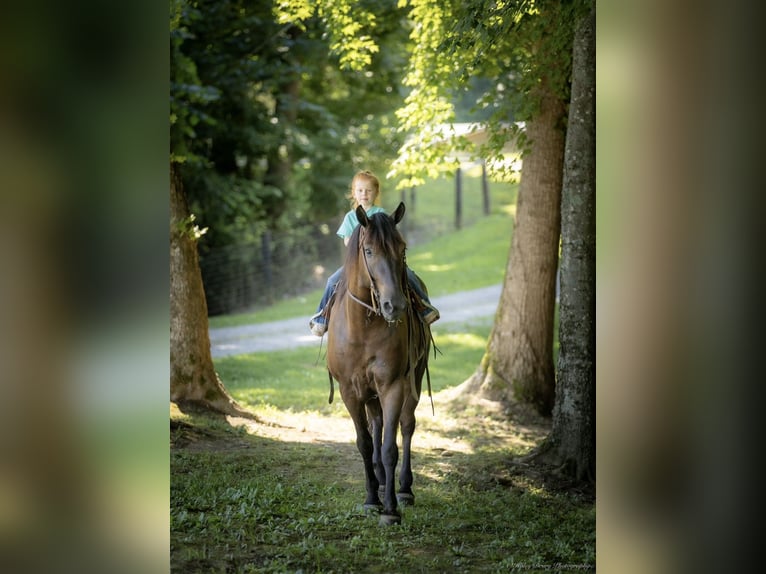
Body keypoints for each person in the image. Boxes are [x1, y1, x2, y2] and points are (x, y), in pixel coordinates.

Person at [309, 170, 440, 336]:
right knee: (332, 281)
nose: (364, 194)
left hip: (382, 261)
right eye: (360, 190)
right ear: (354, 193)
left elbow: (389, 238)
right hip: (358, 263)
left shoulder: (381, 215)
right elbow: (347, 241)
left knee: (409, 275)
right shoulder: (351, 217)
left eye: (369, 190)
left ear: (376, 193)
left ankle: (424, 308)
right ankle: (322, 318)